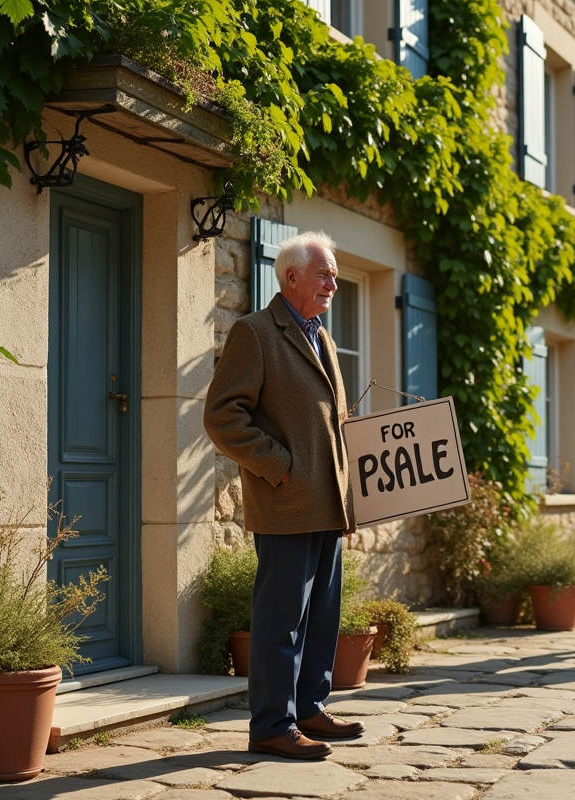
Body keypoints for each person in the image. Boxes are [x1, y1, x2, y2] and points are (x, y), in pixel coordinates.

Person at [204, 230, 365, 760]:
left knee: (321, 614)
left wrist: (348, 490)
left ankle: (309, 708)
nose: (334, 284)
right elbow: (223, 416)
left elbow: (331, 422)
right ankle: (272, 724)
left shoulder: (322, 336)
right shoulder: (255, 333)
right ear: (291, 276)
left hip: (326, 502)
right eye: (325, 274)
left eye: (336, 275)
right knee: (280, 621)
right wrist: (281, 468)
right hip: (286, 501)